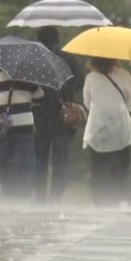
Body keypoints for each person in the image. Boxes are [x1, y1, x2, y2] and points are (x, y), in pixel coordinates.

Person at [0, 68, 44, 197]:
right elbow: (40, 98)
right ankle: (22, 190)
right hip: (23, 124)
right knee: (24, 158)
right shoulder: (29, 77)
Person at [33, 26, 84, 202]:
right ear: (57, 40)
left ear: (39, 40)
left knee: (40, 159)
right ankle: (55, 198)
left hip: (39, 117)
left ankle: (40, 196)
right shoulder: (68, 59)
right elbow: (79, 84)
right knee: (60, 160)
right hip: (62, 117)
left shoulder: (34, 59)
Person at [82, 57, 131, 206]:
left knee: (99, 167)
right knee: (120, 167)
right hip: (121, 128)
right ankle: (119, 199)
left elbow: (87, 102)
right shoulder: (125, 75)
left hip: (98, 128)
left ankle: (100, 201)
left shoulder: (91, 78)